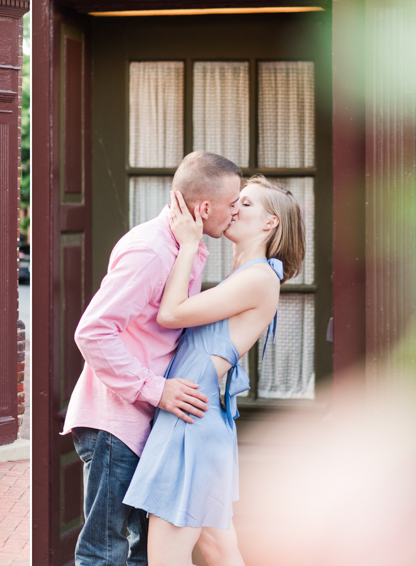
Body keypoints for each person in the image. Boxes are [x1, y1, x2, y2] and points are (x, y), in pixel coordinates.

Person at [63, 151, 243, 565]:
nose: (236, 212)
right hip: (117, 427)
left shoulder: (185, 248)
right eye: (233, 203)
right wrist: (157, 390)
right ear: (204, 207)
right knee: (104, 553)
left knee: (144, 553)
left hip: (148, 426)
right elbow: (92, 331)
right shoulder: (151, 251)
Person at [123, 176, 305, 566]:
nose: (234, 208)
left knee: (167, 560)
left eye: (246, 204)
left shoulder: (258, 277)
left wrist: (189, 244)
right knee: (221, 551)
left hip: (191, 424)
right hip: (199, 419)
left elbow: (170, 314)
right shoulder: (248, 276)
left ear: (270, 223)